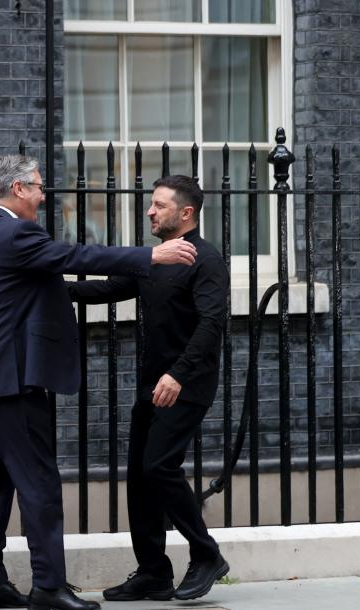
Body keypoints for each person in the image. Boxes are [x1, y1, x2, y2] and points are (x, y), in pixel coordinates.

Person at [0, 155, 198, 610]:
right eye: (38, 187)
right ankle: (48, 586)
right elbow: (75, 256)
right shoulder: (15, 233)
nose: (43, 196)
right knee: (40, 483)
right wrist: (150, 255)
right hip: (11, 380)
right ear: (18, 189)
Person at [67, 175, 230, 602]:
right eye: (151, 204)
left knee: (159, 466)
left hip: (186, 384)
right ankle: (154, 572)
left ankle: (206, 554)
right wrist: (51, 288)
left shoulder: (206, 260)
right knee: (141, 476)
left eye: (159, 205)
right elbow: (107, 288)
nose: (150, 211)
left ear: (186, 213)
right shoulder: (154, 259)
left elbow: (211, 324)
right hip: (151, 384)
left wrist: (178, 375)